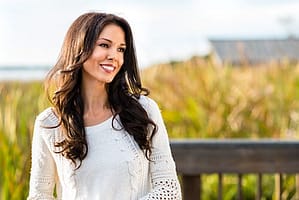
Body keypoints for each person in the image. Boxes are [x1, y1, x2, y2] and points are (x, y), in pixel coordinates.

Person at [27, 12, 182, 199]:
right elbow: (39, 195)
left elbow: (169, 190)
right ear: (79, 48)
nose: (114, 56)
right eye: (104, 45)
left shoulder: (144, 110)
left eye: (121, 49)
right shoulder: (49, 123)